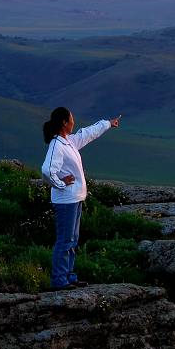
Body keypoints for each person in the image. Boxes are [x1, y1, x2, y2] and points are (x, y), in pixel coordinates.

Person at [40, 107, 121, 290]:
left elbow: (87, 134)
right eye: (71, 119)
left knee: (72, 239)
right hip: (65, 201)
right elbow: (47, 171)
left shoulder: (68, 142)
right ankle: (60, 280)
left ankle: (68, 276)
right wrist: (60, 183)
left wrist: (107, 124)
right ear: (64, 122)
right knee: (65, 240)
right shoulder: (57, 145)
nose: (73, 122)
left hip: (74, 199)